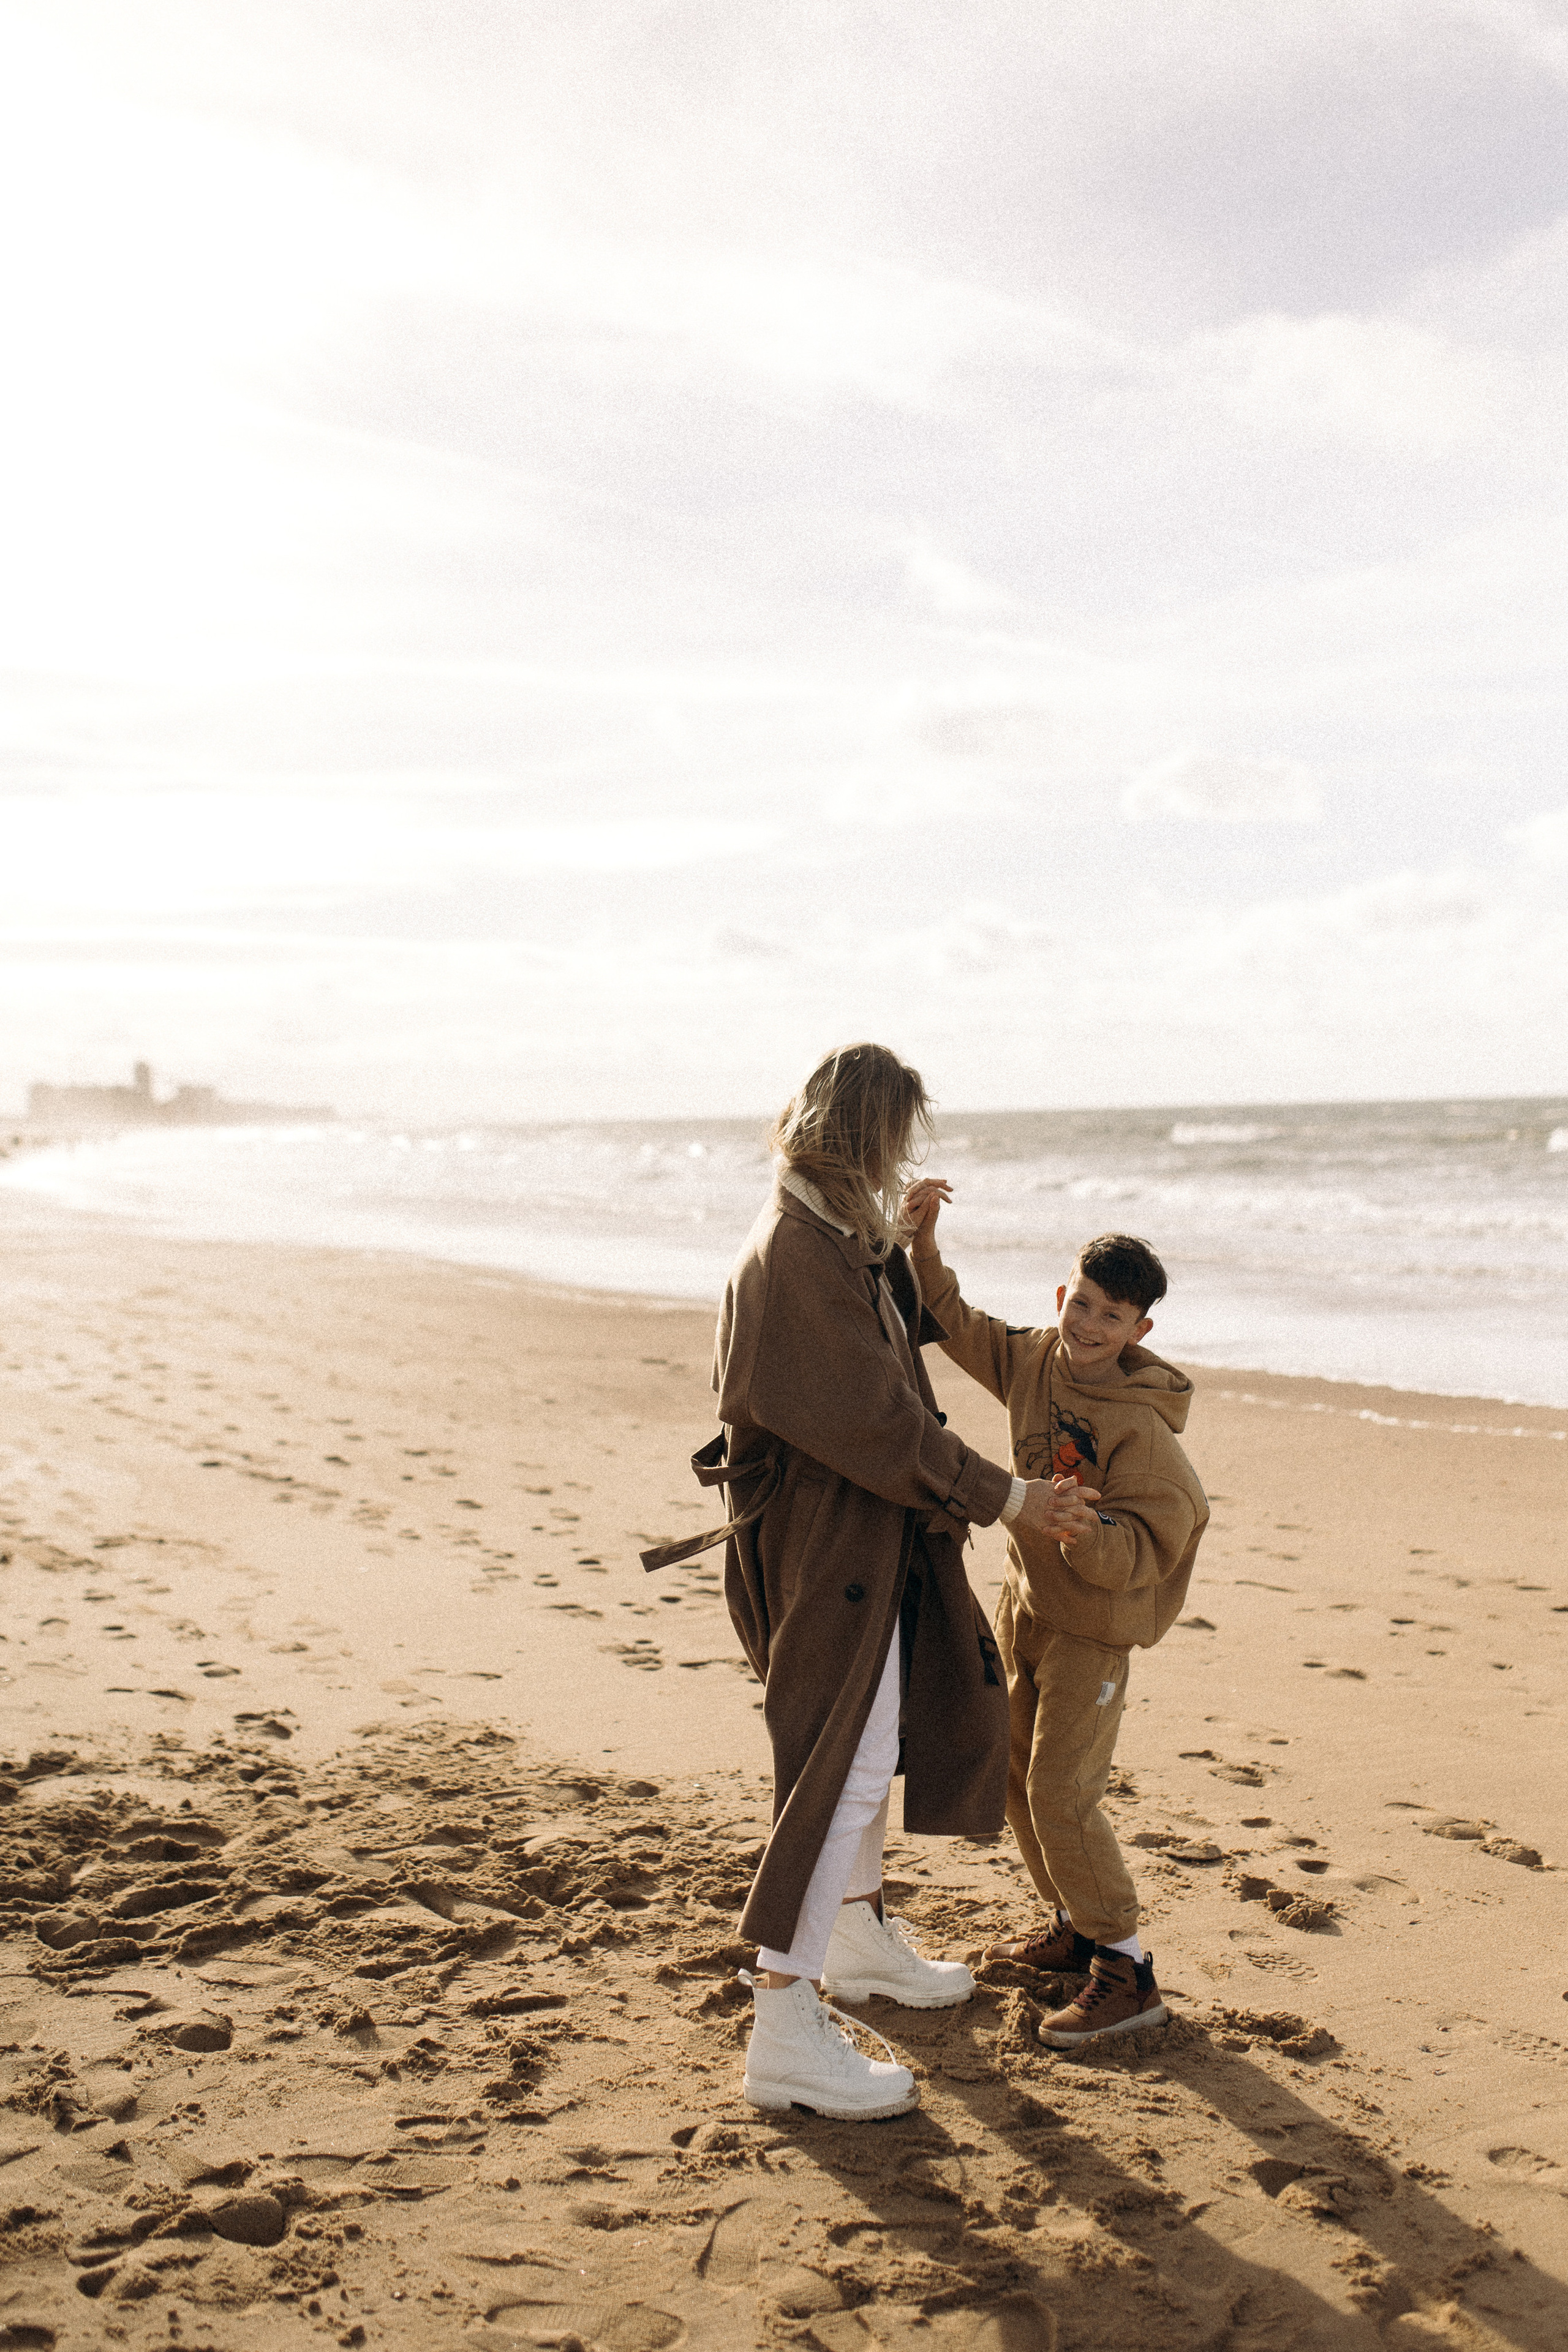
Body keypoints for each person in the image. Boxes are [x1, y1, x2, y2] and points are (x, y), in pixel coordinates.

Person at [644, 1044, 1089, 2119]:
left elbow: (883, 1332)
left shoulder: (827, 1232)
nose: (903, 1160)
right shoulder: (794, 1249)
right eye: (894, 1141)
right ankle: (785, 2024)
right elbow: (880, 1419)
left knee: (869, 1749)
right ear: (861, 1137)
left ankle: (853, 1938)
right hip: (824, 1545)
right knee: (837, 1766)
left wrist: (912, 1242)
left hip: (857, 1536)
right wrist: (1014, 1499)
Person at [902, 1183, 1210, 2047]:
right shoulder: (1033, 1359)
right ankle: (1078, 1927)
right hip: (1025, 1607)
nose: (1088, 1325)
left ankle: (1128, 1966)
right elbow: (951, 1318)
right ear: (1061, 1297)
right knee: (1008, 1769)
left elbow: (1172, 1527)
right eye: (1082, 1303)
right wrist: (924, 1242)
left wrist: (1093, 1534)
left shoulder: (1144, 1433)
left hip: (1094, 1632)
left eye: (1112, 1316)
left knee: (1060, 1793)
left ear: (1139, 1331)